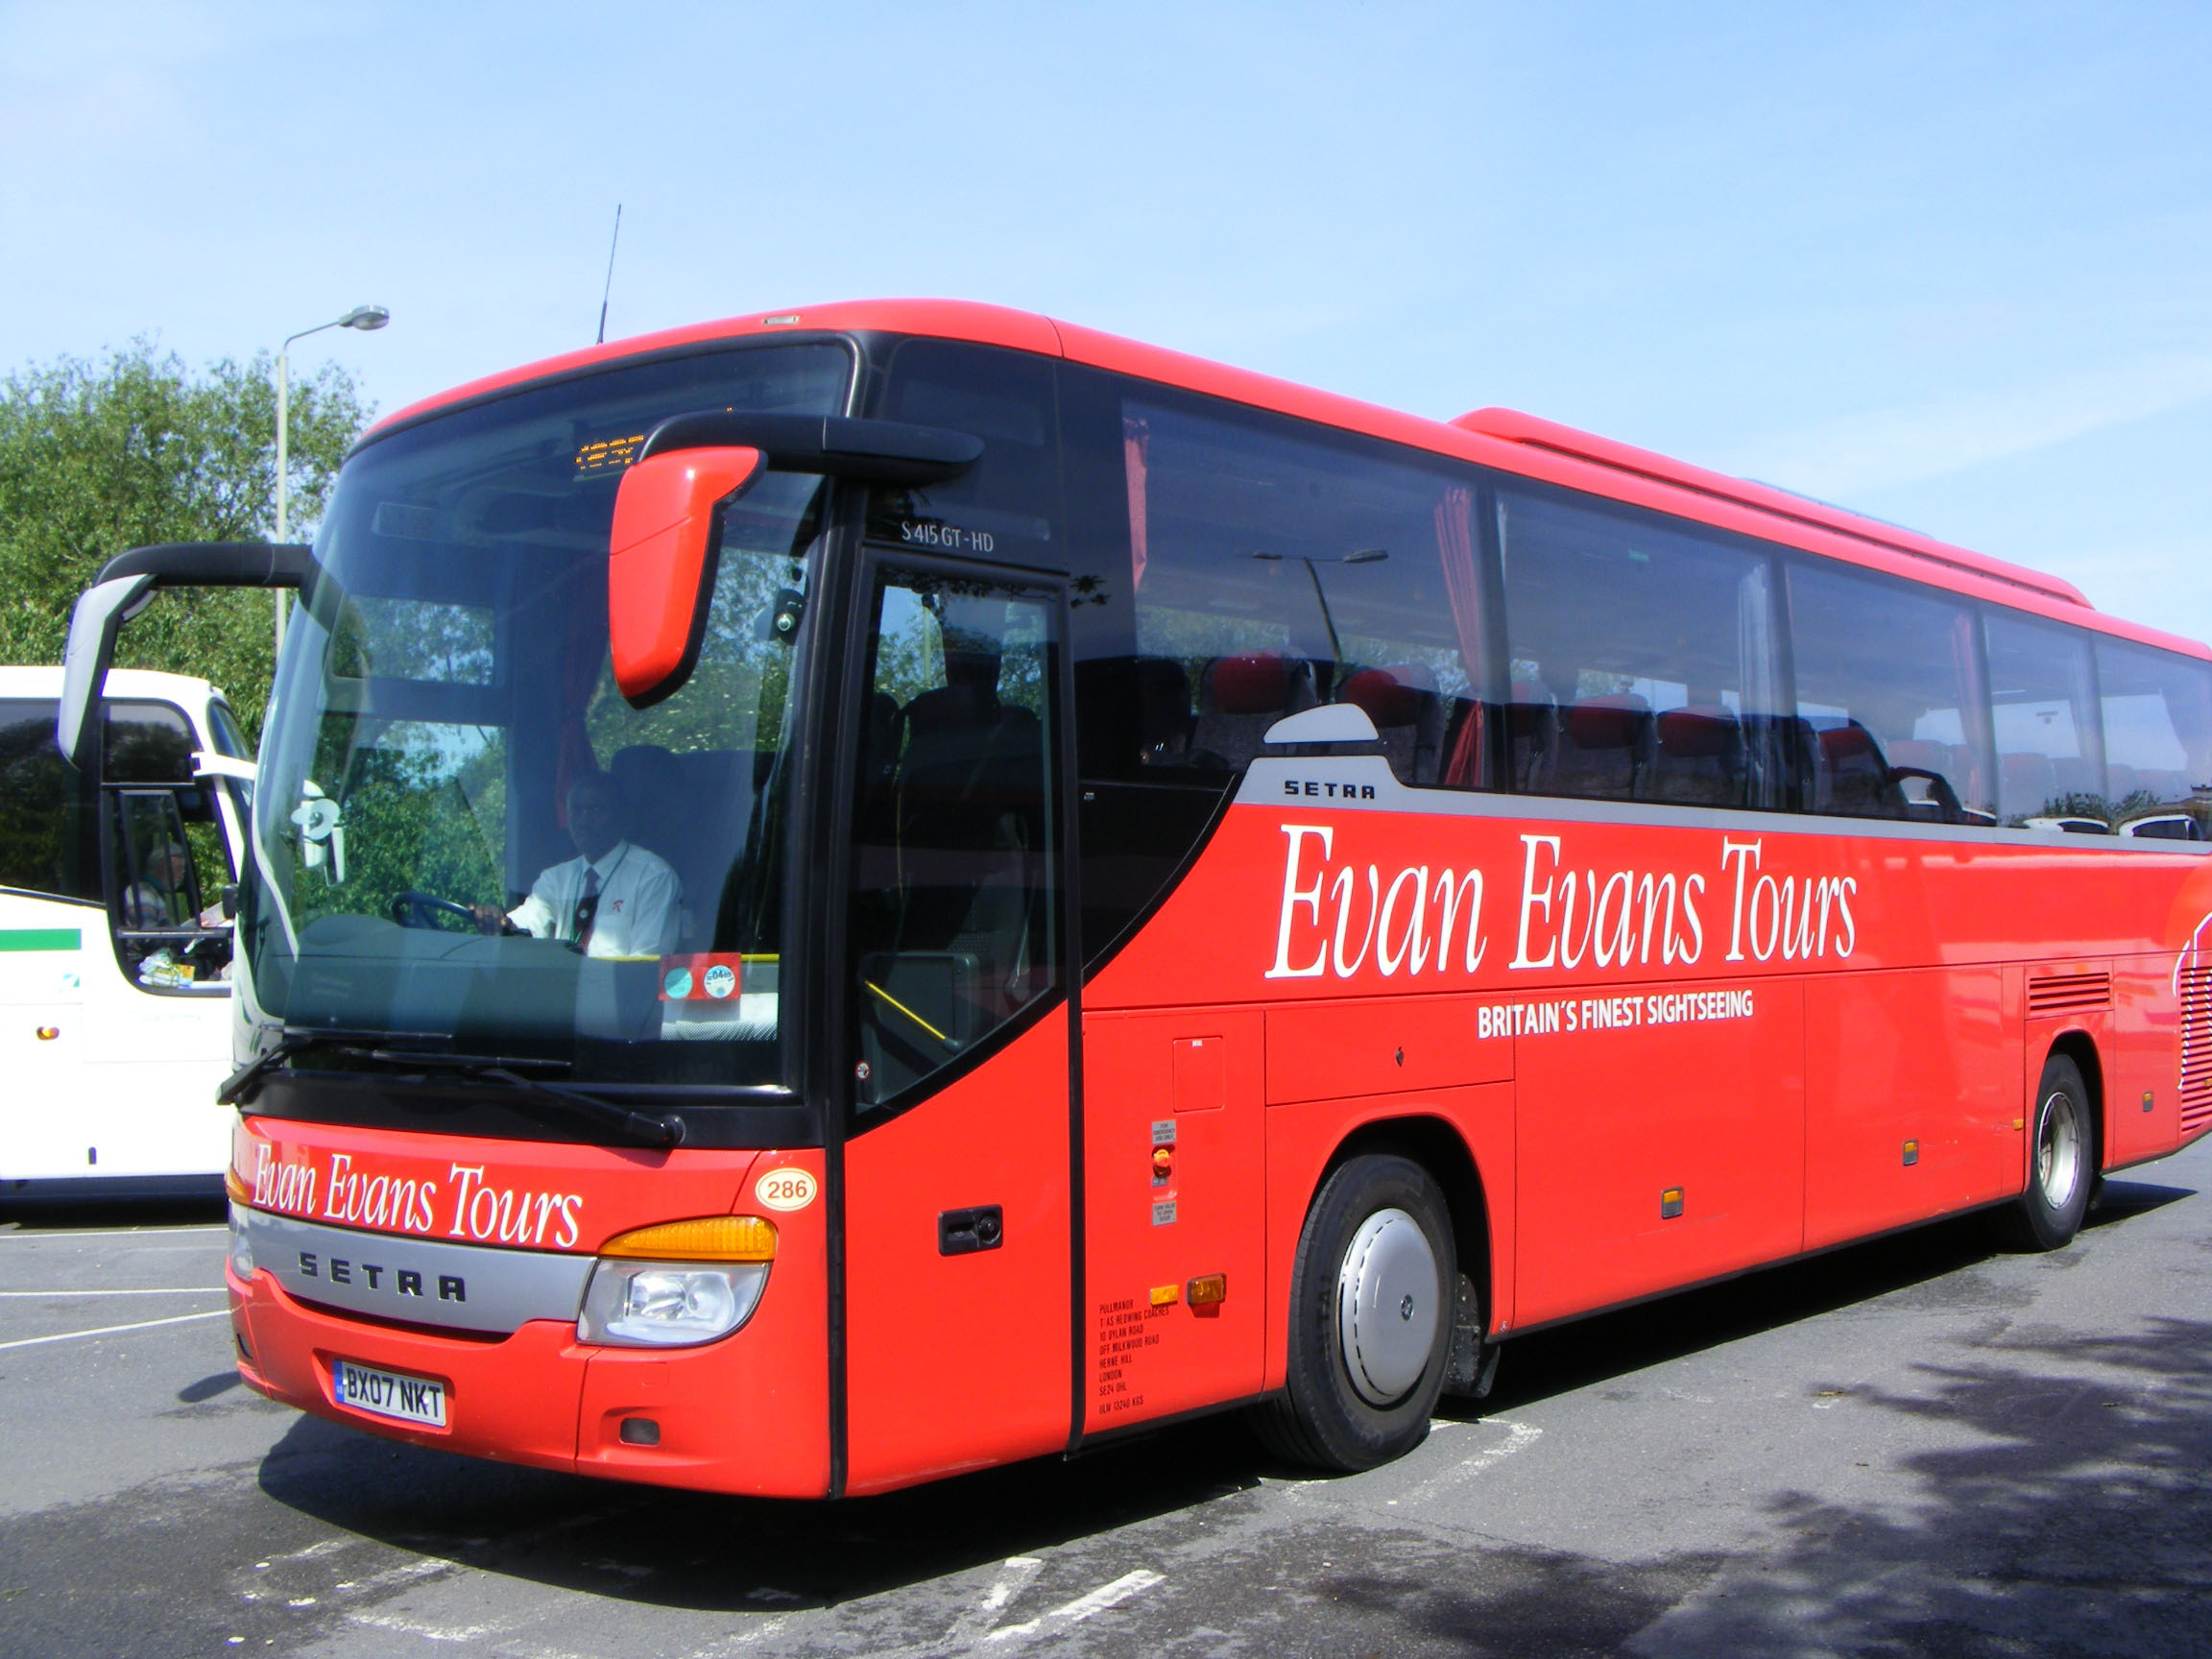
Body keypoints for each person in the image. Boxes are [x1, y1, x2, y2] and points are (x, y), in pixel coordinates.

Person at [475, 774, 680, 958]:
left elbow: (647, 965)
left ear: (620, 816)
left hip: (619, 989)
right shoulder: (556, 878)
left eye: (595, 810)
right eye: (576, 810)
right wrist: (499, 921)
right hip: (560, 987)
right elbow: (528, 921)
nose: (583, 821)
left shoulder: (652, 876)